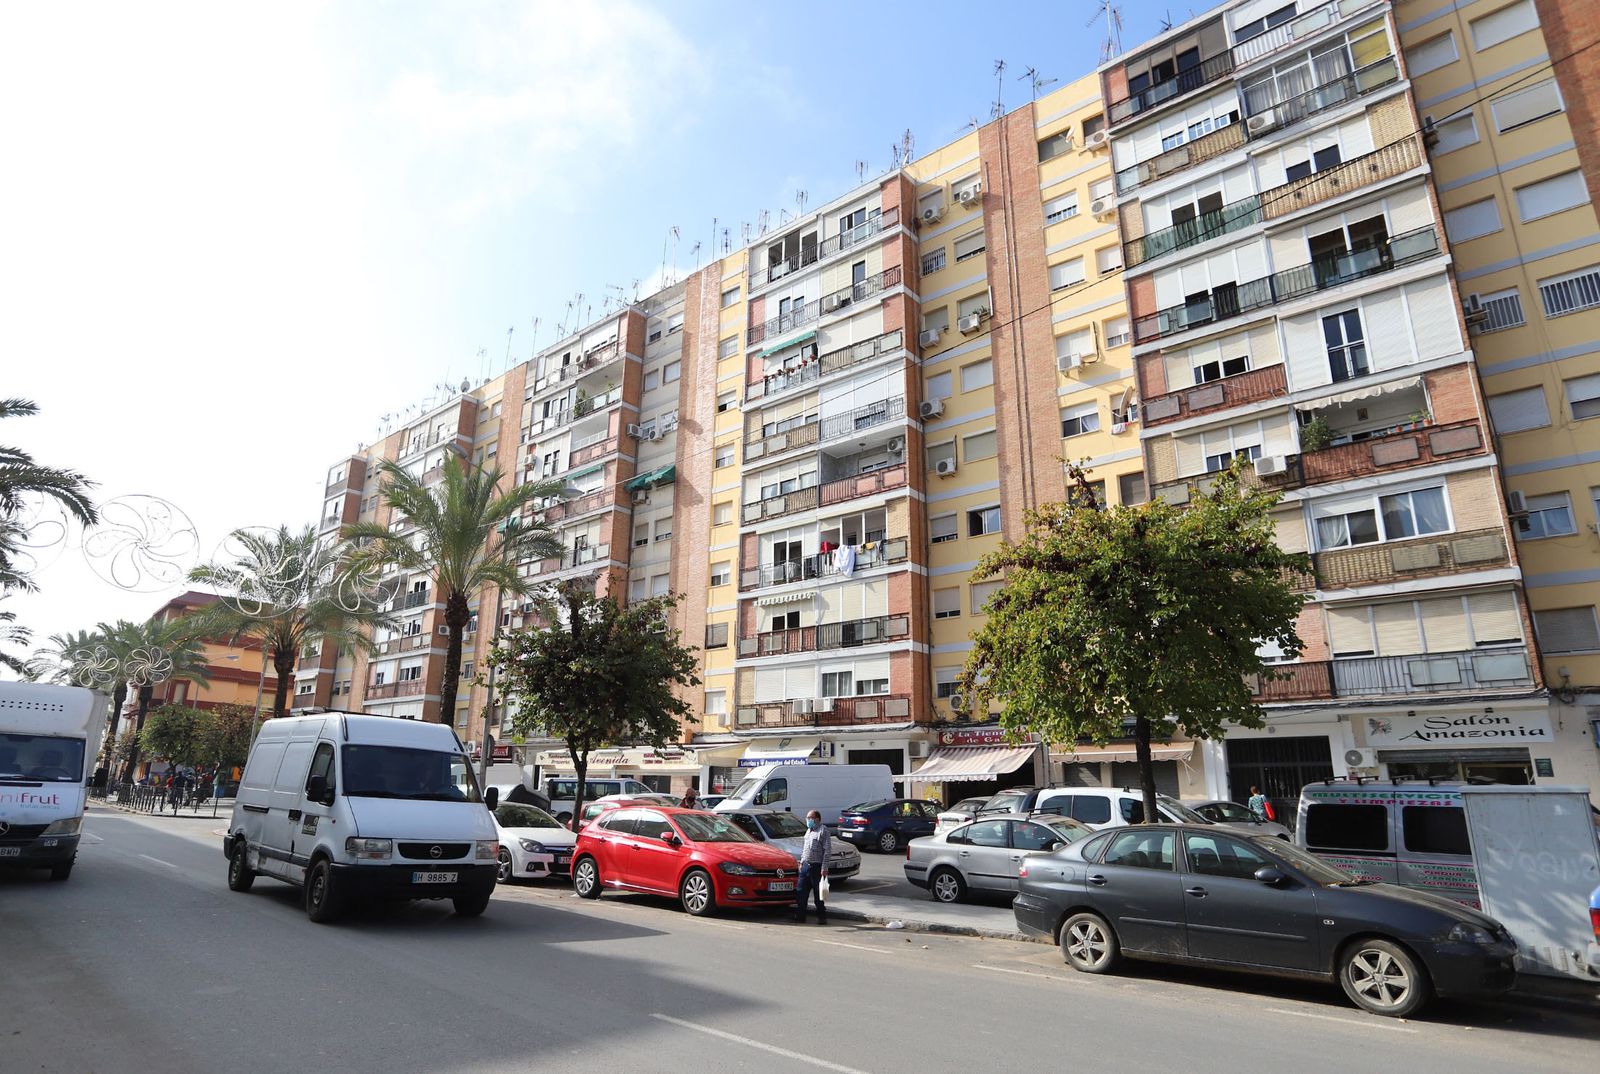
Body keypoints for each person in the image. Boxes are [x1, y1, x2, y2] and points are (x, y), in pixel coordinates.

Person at [793, 810, 830, 925]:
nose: (808, 820)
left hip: (816, 867)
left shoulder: (823, 830)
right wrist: (801, 862)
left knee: (818, 895)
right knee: (801, 893)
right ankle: (800, 916)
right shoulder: (809, 830)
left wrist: (824, 867)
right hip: (805, 866)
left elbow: (827, 851)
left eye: (810, 818)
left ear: (817, 819)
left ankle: (822, 917)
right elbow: (805, 848)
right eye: (807, 818)